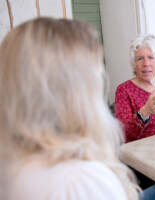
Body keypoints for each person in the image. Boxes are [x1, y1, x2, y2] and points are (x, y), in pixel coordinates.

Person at [0, 17, 139, 200]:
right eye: (96, 75)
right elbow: (126, 127)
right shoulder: (81, 181)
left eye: (151, 58)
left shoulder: (13, 163)